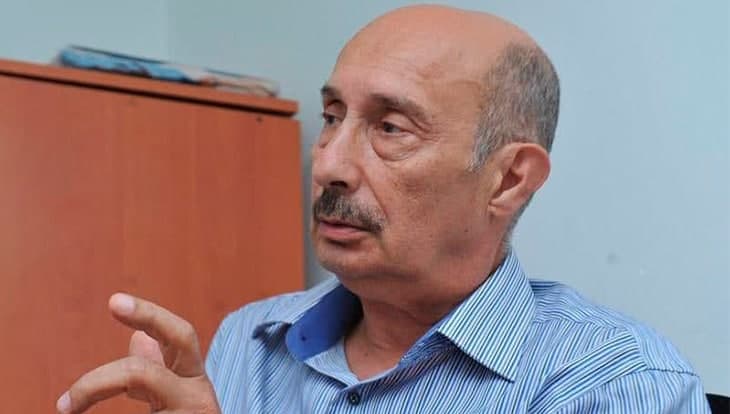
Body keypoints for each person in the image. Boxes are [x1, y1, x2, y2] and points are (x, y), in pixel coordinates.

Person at [56, 5, 711, 413]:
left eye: (391, 128)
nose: (329, 164)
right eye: (331, 116)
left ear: (509, 180)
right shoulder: (249, 342)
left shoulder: (615, 383)